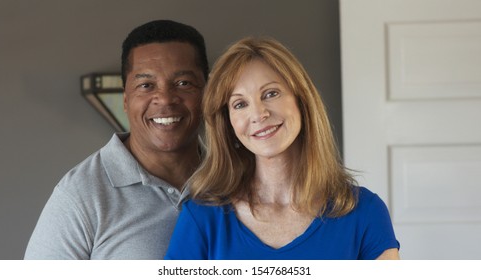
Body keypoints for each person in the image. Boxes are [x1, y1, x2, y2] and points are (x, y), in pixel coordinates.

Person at [165, 37, 400, 260]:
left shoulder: (365, 212)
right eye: (240, 104)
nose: (258, 114)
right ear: (229, 124)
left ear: (301, 101)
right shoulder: (202, 218)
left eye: (271, 94)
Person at [24, 19, 209, 259]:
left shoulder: (236, 178)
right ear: (125, 99)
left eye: (183, 83)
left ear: (208, 92)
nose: (164, 99)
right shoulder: (79, 196)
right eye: (146, 85)